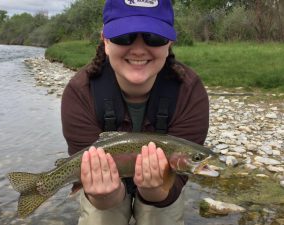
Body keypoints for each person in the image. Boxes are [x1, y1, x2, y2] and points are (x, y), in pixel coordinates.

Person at [61, 0, 209, 224]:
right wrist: (106, 194)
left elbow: (173, 187)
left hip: (163, 192)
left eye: (154, 37)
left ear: (169, 42)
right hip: (103, 190)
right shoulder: (80, 92)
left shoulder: (189, 92)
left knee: (160, 216)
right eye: (124, 36)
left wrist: (155, 190)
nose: (139, 49)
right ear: (105, 41)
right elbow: (100, 198)